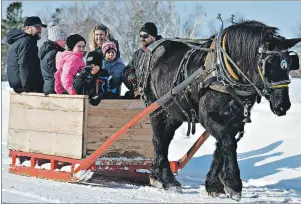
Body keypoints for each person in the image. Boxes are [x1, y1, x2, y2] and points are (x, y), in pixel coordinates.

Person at [6, 16, 46, 93]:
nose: (40, 29)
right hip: (25, 88)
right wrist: (29, 89)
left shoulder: (19, 42)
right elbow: (25, 66)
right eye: (37, 27)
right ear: (27, 28)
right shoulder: (27, 43)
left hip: (19, 86)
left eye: (41, 27)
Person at [123, 22, 162, 98]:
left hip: (158, 94)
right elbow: (128, 68)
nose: (142, 39)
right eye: (140, 36)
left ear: (153, 37)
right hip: (140, 94)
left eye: (145, 36)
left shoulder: (163, 50)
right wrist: (130, 74)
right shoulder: (137, 54)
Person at [39, 22, 68, 95]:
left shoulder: (47, 51)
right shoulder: (54, 54)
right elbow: (56, 74)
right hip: (54, 89)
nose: (65, 41)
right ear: (56, 39)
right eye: (63, 39)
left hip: (49, 87)